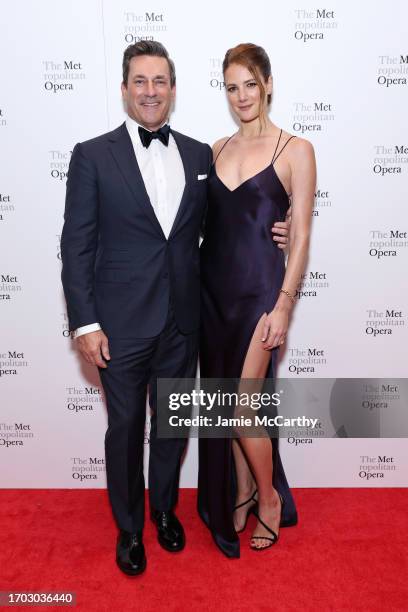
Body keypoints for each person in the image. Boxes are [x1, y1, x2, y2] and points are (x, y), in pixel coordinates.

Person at [61, 40, 291, 575]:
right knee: (124, 430)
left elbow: (226, 224)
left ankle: (164, 510)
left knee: (171, 426)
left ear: (173, 89)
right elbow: (76, 246)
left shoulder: (197, 153)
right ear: (124, 89)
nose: (150, 91)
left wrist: (276, 232)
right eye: (139, 81)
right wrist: (86, 322)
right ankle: (128, 529)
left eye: (159, 81)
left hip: (185, 320)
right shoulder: (92, 155)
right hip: (118, 324)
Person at [198, 43, 316, 557]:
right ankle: (242, 490)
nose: (242, 95)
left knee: (243, 407)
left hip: (261, 295)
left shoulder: (296, 149)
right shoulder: (215, 149)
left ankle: (268, 499)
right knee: (229, 410)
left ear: (267, 83)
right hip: (213, 293)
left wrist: (285, 304)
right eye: (231, 86)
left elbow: (304, 234)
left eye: (250, 83)